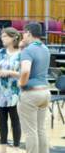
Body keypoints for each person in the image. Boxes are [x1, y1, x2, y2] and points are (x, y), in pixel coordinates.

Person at [18, 22, 50, 153]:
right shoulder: (45, 48)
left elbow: (25, 71)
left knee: (30, 132)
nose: (22, 36)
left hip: (31, 94)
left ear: (29, 33)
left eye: (23, 33)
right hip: (45, 92)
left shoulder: (28, 50)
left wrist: (21, 83)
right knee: (40, 129)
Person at [0, 27, 21, 153]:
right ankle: (3, 148)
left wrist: (9, 72)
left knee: (15, 119)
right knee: (2, 120)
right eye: (2, 36)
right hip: (1, 90)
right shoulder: (1, 52)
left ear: (13, 37)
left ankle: (16, 147)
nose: (2, 39)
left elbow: (23, 73)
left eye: (5, 36)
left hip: (14, 90)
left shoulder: (22, 53)